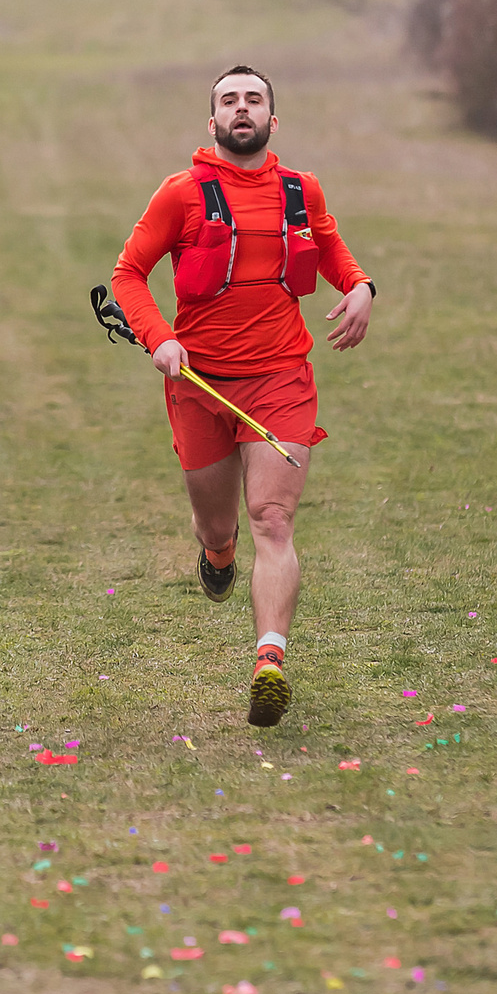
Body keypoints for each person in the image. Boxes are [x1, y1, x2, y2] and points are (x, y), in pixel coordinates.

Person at [109, 65, 373, 727]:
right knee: (220, 526)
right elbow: (128, 273)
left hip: (281, 378)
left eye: (254, 98)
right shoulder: (182, 194)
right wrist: (159, 338)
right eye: (229, 100)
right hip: (198, 383)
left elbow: (334, 249)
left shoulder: (298, 190)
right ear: (214, 122)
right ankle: (217, 556)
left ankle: (270, 663)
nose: (242, 108)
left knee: (273, 519)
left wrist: (363, 284)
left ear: (272, 119)